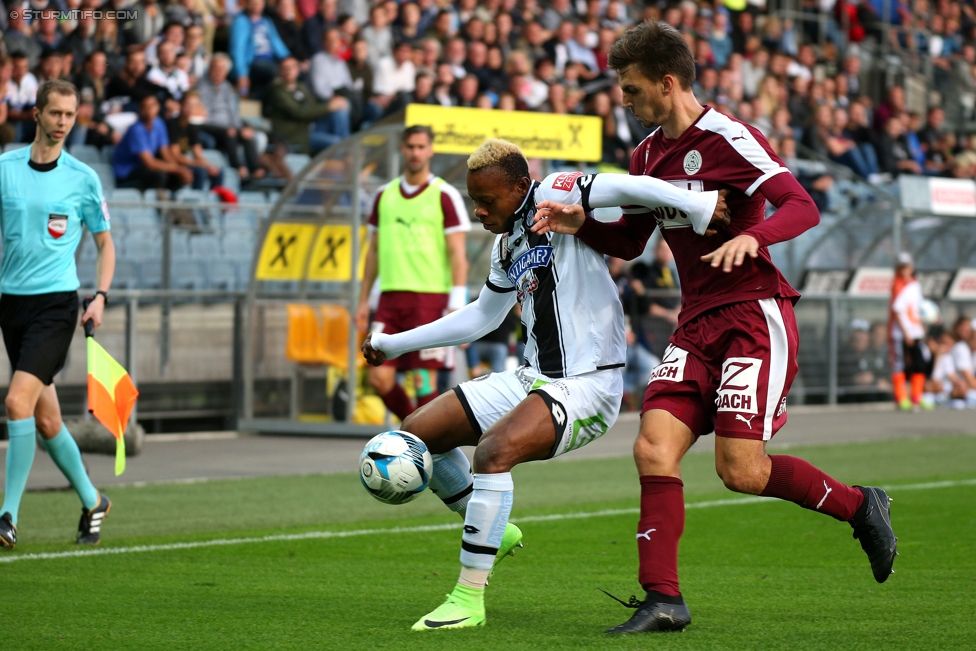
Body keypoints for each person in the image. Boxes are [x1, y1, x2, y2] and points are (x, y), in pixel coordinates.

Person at [530, 21, 897, 634]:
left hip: (754, 314)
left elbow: (803, 205)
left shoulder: (731, 136)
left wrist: (753, 236)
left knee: (742, 471)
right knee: (652, 446)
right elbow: (631, 238)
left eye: (630, 89)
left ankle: (862, 505)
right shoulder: (646, 155)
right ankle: (663, 599)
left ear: (666, 83)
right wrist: (578, 224)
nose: (624, 100)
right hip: (695, 322)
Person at [361, 137, 723, 630]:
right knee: (417, 432)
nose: (479, 209)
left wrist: (698, 203)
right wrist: (394, 343)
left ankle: (468, 599)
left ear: (518, 187)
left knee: (493, 452)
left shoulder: (555, 191)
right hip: (535, 376)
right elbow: (480, 319)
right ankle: (494, 528)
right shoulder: (507, 243)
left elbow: (627, 185)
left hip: (587, 384)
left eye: (487, 200)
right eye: (474, 199)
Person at [0, 79, 116, 549]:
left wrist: (101, 295)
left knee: (15, 403)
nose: (63, 122)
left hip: (55, 305)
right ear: (38, 114)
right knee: (46, 421)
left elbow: (106, 244)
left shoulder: (82, 177)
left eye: (70, 114)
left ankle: (7, 513)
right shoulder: (5, 167)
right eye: (56, 113)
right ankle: (93, 500)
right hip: (11, 304)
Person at [355, 125, 470, 421]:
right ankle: (415, 432)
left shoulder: (444, 194)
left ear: (430, 150)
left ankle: (422, 443)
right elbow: (374, 252)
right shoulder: (384, 195)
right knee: (379, 378)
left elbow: (458, 253)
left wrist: (458, 302)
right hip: (390, 300)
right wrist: (362, 300)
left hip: (430, 299)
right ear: (402, 150)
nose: (415, 152)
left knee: (424, 383)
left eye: (421, 147)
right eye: (410, 147)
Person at [113, 94, 193, 193]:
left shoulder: (159, 124)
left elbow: (165, 153)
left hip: (144, 168)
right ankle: (157, 205)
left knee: (177, 176)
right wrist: (178, 169)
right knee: (159, 175)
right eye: (145, 107)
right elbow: (149, 163)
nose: (149, 109)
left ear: (158, 107)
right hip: (127, 172)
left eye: (152, 106)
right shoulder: (136, 129)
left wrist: (179, 169)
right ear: (140, 110)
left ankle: (175, 204)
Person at [889, 251, 930, 410]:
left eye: (907, 267)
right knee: (900, 365)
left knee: (919, 364)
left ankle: (916, 396)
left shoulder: (915, 284)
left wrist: (921, 326)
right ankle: (901, 398)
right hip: (901, 334)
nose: (904, 270)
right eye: (901, 267)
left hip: (915, 332)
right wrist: (906, 332)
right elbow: (898, 310)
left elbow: (917, 309)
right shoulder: (898, 286)